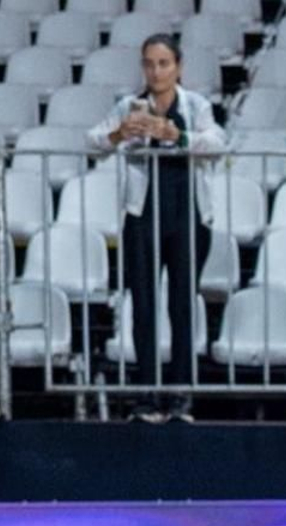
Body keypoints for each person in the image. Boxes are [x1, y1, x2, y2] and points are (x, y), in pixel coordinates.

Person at [88, 34, 225, 424]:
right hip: (142, 215)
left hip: (188, 214)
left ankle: (181, 393)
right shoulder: (128, 106)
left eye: (164, 63)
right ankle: (145, 393)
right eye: (149, 64)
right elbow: (92, 140)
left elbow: (217, 143)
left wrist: (175, 135)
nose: (156, 71)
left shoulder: (196, 105)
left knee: (182, 303)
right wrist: (119, 135)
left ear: (178, 67)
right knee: (143, 304)